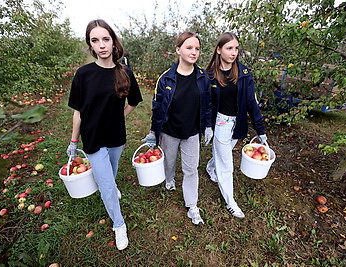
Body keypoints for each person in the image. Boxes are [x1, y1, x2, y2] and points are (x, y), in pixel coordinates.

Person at [66, 19, 143, 250]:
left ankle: (109, 184)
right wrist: (73, 141)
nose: (101, 45)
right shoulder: (84, 74)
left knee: (112, 170)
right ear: (90, 45)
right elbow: (78, 111)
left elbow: (134, 102)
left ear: (113, 41)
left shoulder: (125, 72)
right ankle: (119, 224)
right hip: (93, 139)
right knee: (107, 185)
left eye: (105, 39)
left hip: (116, 137)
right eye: (95, 40)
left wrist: (119, 116)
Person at [142, 31, 213, 225]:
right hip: (169, 131)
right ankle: (170, 179)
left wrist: (207, 126)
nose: (194, 52)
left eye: (197, 48)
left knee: (191, 169)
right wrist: (153, 132)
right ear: (178, 50)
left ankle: (192, 206)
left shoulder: (202, 77)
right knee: (169, 162)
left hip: (191, 133)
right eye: (189, 47)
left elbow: (207, 104)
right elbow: (157, 107)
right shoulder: (166, 79)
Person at [205, 32, 267, 219]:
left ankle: (209, 168)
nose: (234, 52)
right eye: (229, 48)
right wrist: (208, 125)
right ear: (219, 50)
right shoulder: (209, 76)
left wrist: (260, 129)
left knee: (222, 156)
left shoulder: (244, 73)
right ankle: (231, 202)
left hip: (237, 123)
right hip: (220, 123)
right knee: (226, 165)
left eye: (236, 48)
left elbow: (251, 103)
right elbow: (206, 104)